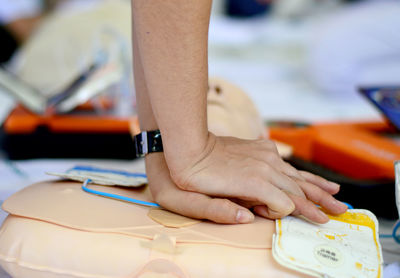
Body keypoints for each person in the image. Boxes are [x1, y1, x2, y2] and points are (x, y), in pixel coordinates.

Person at [131, 0, 347, 224]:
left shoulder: (172, 156)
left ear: (269, 146)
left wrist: (167, 153)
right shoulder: (182, 154)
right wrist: (192, 154)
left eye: (224, 93)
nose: (212, 89)